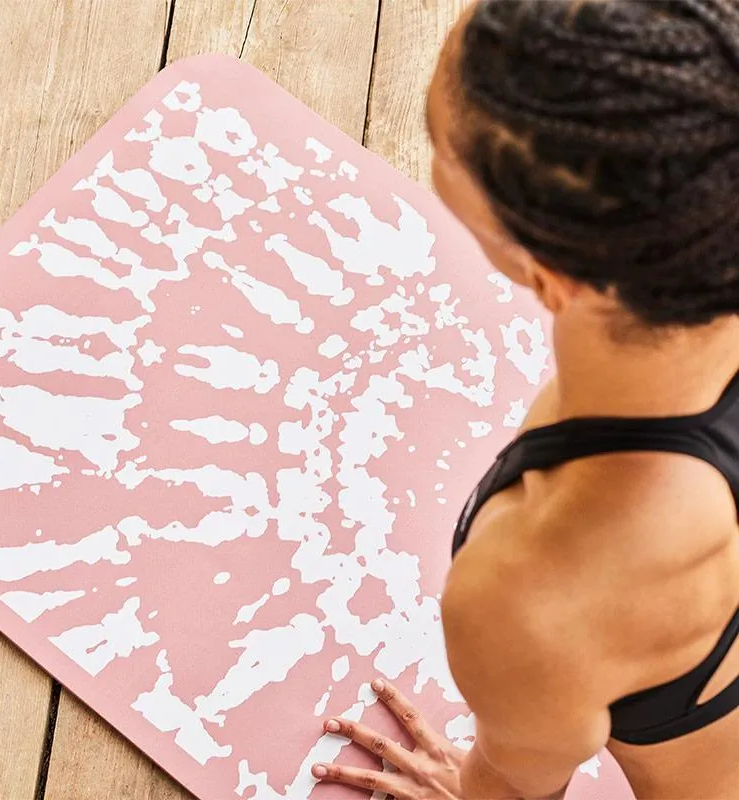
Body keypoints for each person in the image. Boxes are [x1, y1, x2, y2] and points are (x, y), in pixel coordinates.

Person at [310, 1, 739, 798]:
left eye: (438, 145)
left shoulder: (533, 583)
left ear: (551, 276)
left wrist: (483, 777)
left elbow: (514, 790)